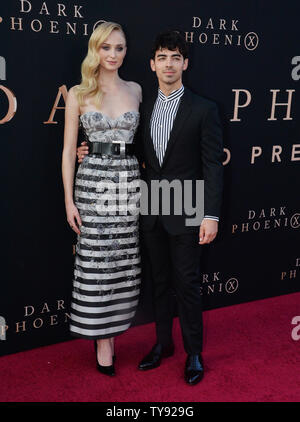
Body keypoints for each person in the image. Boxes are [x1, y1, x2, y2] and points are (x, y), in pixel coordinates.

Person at [77, 30, 223, 385]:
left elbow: (213, 165)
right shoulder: (144, 103)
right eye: (163, 57)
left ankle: (194, 354)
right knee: (158, 282)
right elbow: (134, 151)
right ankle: (162, 344)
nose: (169, 64)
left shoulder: (204, 108)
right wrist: (89, 150)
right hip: (152, 204)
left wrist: (210, 214)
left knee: (186, 283)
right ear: (152, 64)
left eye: (176, 57)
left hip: (186, 203)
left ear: (185, 64)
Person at [62, 21, 142, 377]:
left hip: (127, 185)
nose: (113, 54)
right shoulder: (78, 93)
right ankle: (102, 340)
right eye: (106, 47)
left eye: (120, 48)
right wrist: (69, 202)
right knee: (94, 261)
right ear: (95, 49)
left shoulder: (138, 90)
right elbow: (67, 152)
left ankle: (113, 329)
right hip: (92, 185)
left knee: (121, 260)